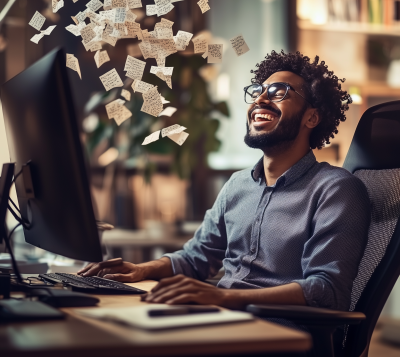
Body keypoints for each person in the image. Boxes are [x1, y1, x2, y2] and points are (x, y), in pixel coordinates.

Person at [79, 50, 370, 312]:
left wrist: (224, 297)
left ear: (312, 118)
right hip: (221, 318)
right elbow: (196, 258)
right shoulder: (237, 185)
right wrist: (141, 270)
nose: (260, 99)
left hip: (279, 335)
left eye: (279, 92)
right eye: (257, 91)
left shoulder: (335, 189)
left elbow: (326, 289)